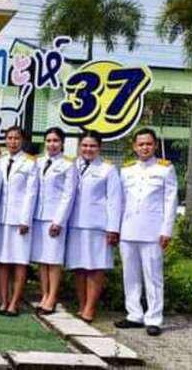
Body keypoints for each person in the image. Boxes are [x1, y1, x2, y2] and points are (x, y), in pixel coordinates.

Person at [115, 128, 177, 336]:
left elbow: (170, 201)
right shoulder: (126, 170)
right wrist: (116, 228)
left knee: (153, 276)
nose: (145, 147)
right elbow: (120, 202)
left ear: (155, 145)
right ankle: (134, 314)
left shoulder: (165, 169)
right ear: (134, 146)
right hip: (128, 229)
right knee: (130, 275)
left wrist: (166, 229)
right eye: (141, 144)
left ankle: (154, 319)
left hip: (153, 231)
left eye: (148, 144)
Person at [66, 131, 123, 323]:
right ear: (79, 147)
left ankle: (90, 308)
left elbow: (115, 201)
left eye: (92, 146)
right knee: (79, 267)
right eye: (84, 145)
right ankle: (82, 305)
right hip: (75, 224)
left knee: (95, 267)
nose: (88, 149)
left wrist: (113, 228)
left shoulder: (108, 169)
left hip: (97, 226)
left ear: (99, 148)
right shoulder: (73, 165)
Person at [0, 126, 38, 317]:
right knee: (3, 262)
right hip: (2, 218)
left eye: (16, 138)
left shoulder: (30, 163)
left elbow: (31, 194)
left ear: (22, 140)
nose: (13, 142)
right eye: (9, 138)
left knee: (19, 262)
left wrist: (25, 220)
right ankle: (4, 301)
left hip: (20, 221)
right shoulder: (0, 161)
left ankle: (14, 303)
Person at [31, 127, 77, 315]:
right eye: (49, 141)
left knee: (54, 260)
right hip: (38, 216)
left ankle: (52, 298)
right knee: (42, 260)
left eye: (56, 141)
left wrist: (58, 221)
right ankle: (44, 295)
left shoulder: (68, 165)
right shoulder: (38, 162)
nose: (52, 144)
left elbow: (68, 195)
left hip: (54, 218)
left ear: (62, 143)